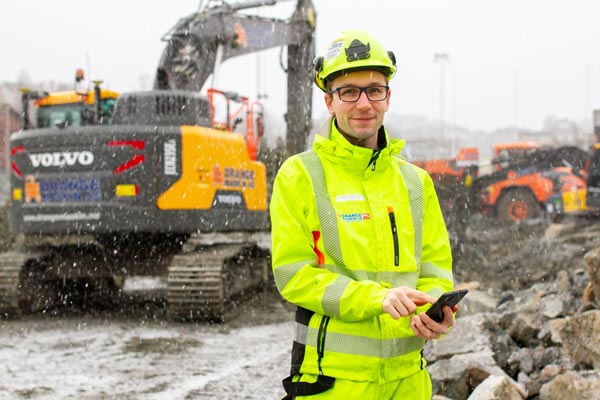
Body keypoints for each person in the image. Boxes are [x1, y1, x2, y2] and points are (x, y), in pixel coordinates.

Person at [269, 29, 456, 399]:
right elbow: (293, 275)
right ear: (329, 101)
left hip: (409, 382)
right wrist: (377, 299)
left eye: (374, 89)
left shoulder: (416, 183)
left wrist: (435, 310)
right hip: (332, 383)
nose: (364, 103)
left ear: (388, 97)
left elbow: (436, 269)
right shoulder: (300, 175)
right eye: (349, 91)